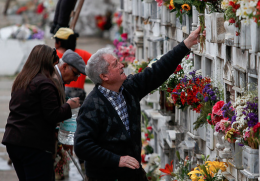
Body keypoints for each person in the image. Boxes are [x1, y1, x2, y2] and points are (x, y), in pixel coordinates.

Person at [74, 27, 201, 181]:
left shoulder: (128, 88)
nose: (122, 65)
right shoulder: (92, 105)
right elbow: (82, 146)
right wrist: (117, 160)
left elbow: (157, 72)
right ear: (104, 76)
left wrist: (186, 45)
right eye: (115, 64)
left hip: (132, 175)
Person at [2, 45, 80, 181]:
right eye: (55, 62)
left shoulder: (22, 80)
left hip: (14, 140)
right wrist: (69, 105)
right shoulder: (45, 83)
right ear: (47, 62)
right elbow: (53, 115)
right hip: (34, 144)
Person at [53, 28, 92, 104]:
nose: (75, 79)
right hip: (79, 95)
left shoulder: (54, 55)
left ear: (59, 42)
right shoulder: (82, 54)